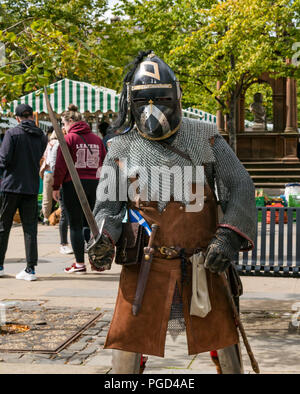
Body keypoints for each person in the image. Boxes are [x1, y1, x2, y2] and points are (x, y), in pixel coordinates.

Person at [88, 51, 257, 374]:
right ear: (130, 102)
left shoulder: (205, 136)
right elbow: (109, 206)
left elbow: (240, 186)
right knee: (126, 351)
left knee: (224, 347)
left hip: (202, 262)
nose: (152, 109)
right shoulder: (120, 147)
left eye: (161, 97)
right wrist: (104, 238)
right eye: (143, 100)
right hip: (144, 265)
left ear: (176, 96)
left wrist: (227, 239)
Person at [53, 104, 106, 274]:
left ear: (70, 121)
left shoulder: (68, 139)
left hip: (73, 184)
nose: (63, 127)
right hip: (95, 183)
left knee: (75, 225)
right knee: (93, 225)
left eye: (64, 123)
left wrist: (55, 186)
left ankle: (79, 264)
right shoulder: (97, 139)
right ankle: (97, 261)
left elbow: (61, 166)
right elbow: (105, 163)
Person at [0, 104, 47, 281]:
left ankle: (0, 265)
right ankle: (30, 268)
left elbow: (3, 159)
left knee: (3, 226)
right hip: (31, 186)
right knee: (30, 228)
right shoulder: (41, 136)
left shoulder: (12, 134)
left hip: (11, 185)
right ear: (31, 116)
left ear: (18, 117)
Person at [48, 128, 73, 255]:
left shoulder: (70, 142)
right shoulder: (58, 144)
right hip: (64, 182)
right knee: (65, 213)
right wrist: (57, 183)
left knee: (69, 213)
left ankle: (68, 243)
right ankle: (63, 243)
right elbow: (53, 164)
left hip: (69, 181)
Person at [40, 127, 57, 225]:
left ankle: (46, 218)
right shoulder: (62, 144)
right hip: (59, 173)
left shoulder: (49, 144)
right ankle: (59, 216)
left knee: (46, 196)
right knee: (60, 197)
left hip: (48, 173)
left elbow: (44, 158)